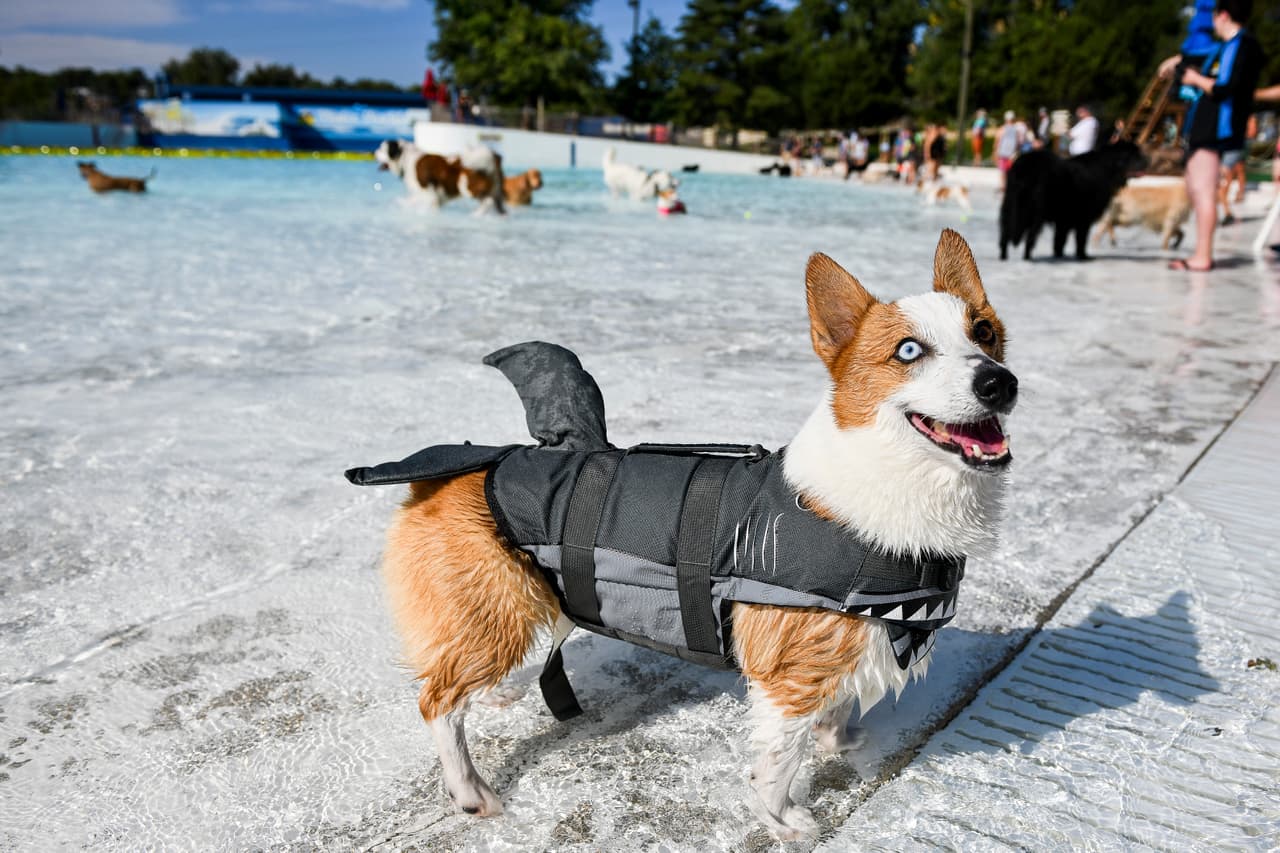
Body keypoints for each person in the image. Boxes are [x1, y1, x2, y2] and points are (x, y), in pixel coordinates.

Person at [1159, 0, 1264, 271]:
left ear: (1223, 15)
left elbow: (1227, 87)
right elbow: (1202, 57)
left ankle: (1202, 256)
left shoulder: (1242, 45)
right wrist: (1178, 61)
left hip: (1217, 129)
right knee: (1196, 186)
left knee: (1204, 190)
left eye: (1215, 17)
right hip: (1206, 127)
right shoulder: (1228, 46)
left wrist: (1196, 80)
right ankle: (1201, 253)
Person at [995, 111, 1022, 189]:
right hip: (1012, 154)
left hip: (1003, 154)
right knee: (1010, 172)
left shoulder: (1002, 129)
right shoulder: (1016, 130)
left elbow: (997, 141)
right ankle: (1010, 186)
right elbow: (1018, 143)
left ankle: (1003, 187)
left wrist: (995, 152)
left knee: (1003, 172)